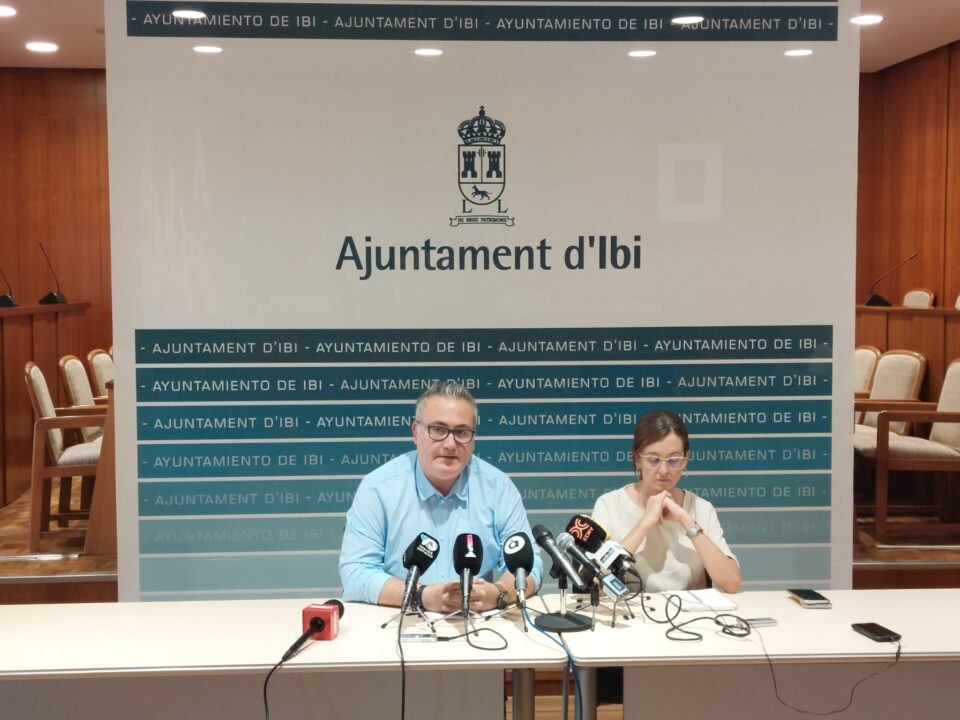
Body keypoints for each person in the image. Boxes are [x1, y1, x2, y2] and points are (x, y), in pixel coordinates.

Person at [339, 380, 542, 613]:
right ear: (415, 432)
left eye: (462, 432)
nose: (450, 444)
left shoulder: (498, 488)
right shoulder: (377, 489)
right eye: (438, 430)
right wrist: (422, 596)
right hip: (401, 620)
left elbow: (531, 566)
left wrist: (499, 594)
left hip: (478, 623)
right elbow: (355, 573)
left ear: (473, 439)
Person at [592, 409, 740, 593]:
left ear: (686, 460)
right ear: (637, 459)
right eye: (653, 460)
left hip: (691, 611)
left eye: (674, 460)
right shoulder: (609, 505)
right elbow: (596, 585)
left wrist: (685, 520)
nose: (664, 470)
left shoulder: (701, 508)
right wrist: (646, 522)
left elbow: (731, 582)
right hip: (629, 610)